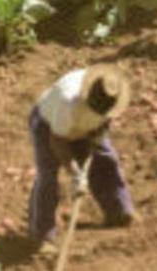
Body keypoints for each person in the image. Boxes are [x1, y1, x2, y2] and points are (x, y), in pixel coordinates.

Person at [28, 66, 136, 254]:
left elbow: (106, 121)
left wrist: (97, 135)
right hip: (49, 127)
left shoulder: (110, 94)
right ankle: (43, 236)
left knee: (106, 160)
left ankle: (118, 211)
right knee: (48, 178)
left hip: (84, 129)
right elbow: (58, 142)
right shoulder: (67, 101)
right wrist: (76, 174)